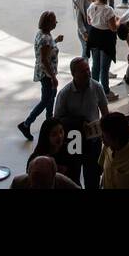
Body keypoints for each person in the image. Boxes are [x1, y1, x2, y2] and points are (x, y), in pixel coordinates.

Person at [54, 57, 109, 189]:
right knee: (73, 177)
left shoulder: (97, 87)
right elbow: (57, 120)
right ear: (74, 74)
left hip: (94, 141)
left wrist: (107, 135)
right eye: (83, 71)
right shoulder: (64, 94)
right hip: (74, 140)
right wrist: (77, 123)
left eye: (88, 70)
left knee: (93, 177)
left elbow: (105, 113)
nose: (88, 73)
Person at [19, 11, 63, 140]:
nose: (56, 22)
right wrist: (53, 77)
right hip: (47, 74)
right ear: (49, 23)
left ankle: (50, 121)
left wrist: (56, 41)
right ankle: (27, 123)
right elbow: (44, 59)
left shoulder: (43, 35)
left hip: (45, 72)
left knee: (50, 97)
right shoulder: (46, 38)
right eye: (54, 20)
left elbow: (47, 49)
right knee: (46, 99)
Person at [87, 0, 121, 101]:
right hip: (106, 39)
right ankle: (105, 90)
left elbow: (89, 21)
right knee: (104, 67)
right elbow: (113, 28)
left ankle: (94, 88)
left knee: (95, 65)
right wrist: (118, 21)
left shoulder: (91, 6)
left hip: (94, 36)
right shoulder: (108, 10)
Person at [99, 112, 129, 189]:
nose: (101, 137)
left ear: (116, 138)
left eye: (104, 135)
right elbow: (101, 169)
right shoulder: (107, 147)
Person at [11, 155, 81, 190]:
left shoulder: (63, 182)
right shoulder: (17, 182)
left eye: (45, 184)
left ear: (54, 175)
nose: (40, 187)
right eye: (36, 185)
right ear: (28, 174)